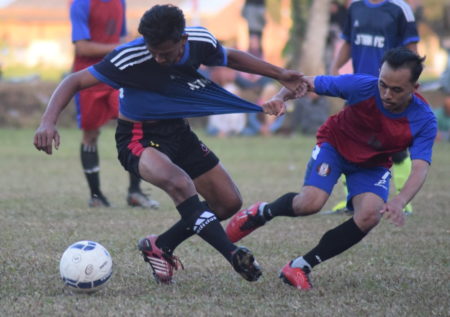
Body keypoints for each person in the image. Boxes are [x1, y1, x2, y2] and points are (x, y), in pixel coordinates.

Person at [34, 4, 304, 284]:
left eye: (166, 52)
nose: (159, 59)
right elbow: (75, 80)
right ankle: (232, 253)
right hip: (137, 136)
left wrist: (279, 74)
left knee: (227, 202)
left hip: (178, 131)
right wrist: (47, 121)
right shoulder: (129, 56)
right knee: (180, 183)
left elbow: (230, 57)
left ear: (183, 40)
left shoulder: (200, 41)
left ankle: (160, 245)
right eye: (154, 52)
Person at [226, 48, 437, 290]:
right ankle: (261, 213)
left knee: (370, 214)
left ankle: (299, 266)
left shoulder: (424, 119)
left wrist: (399, 200)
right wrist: (280, 97)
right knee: (310, 204)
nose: (387, 94)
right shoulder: (361, 86)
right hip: (335, 146)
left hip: (373, 163)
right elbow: (303, 82)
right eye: (383, 84)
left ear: (415, 88)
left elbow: (420, 167)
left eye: (397, 89)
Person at [329, 0, 420, 214]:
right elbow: (348, 43)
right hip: (359, 90)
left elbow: (413, 52)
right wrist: (334, 69)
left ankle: (402, 202)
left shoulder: (400, 9)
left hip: (390, 91)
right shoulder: (355, 7)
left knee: (396, 148)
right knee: (347, 144)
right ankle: (352, 200)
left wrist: (409, 88)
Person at [70, 0, 159, 208]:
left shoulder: (120, 2)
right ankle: (96, 195)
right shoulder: (81, 4)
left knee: (136, 126)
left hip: (117, 75)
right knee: (90, 135)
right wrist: (122, 47)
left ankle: (135, 192)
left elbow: (121, 36)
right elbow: (82, 46)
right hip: (88, 78)